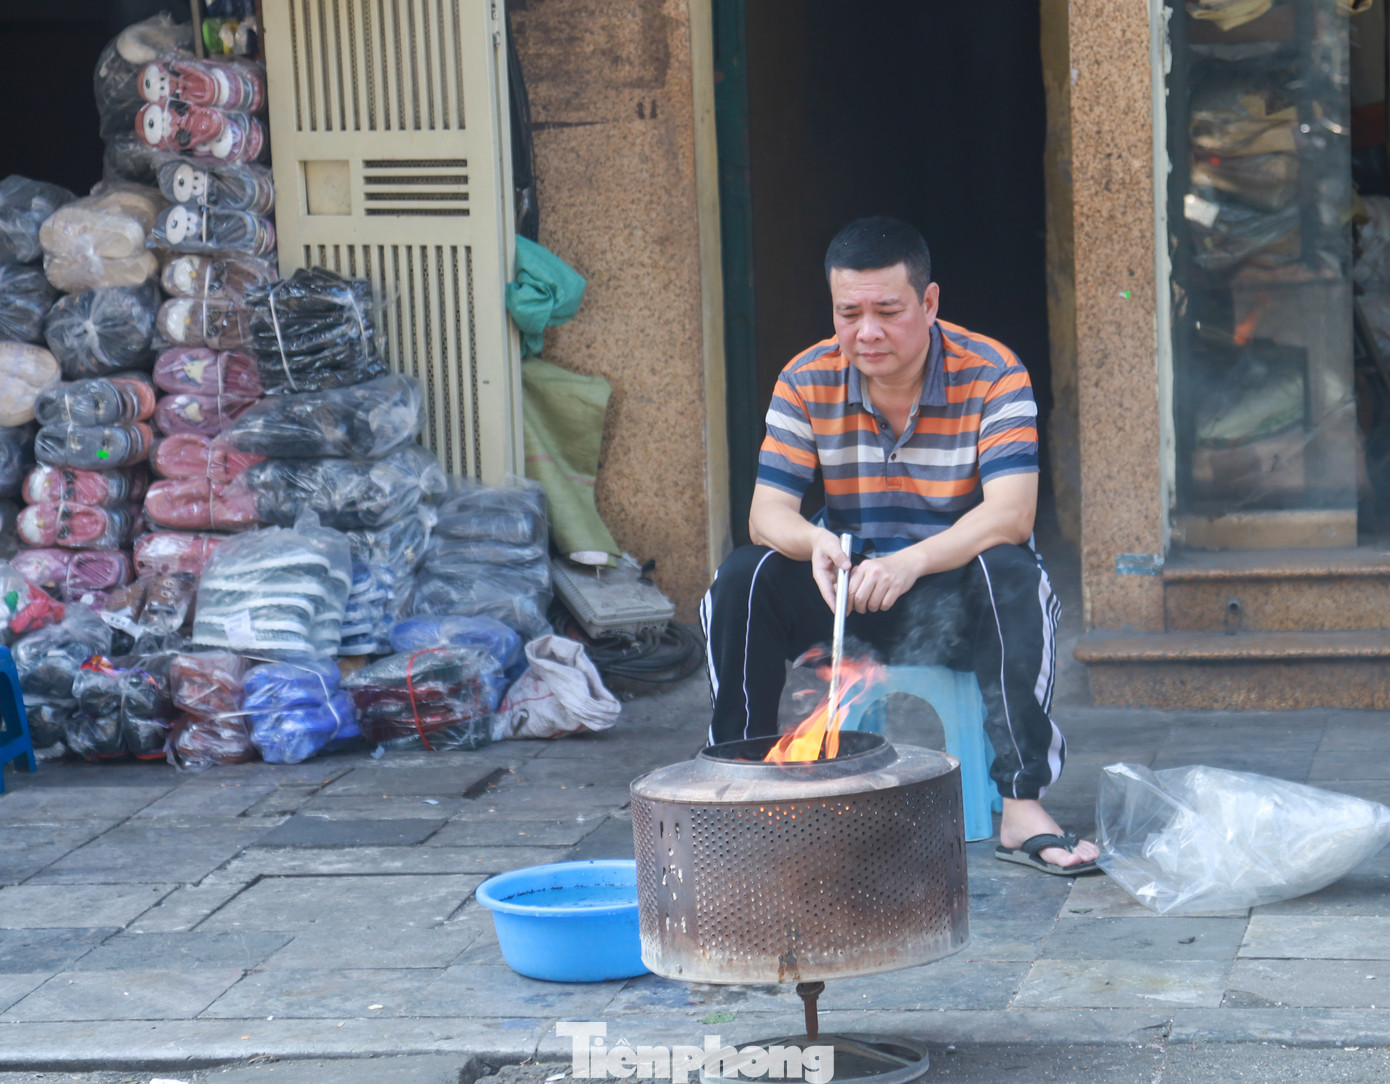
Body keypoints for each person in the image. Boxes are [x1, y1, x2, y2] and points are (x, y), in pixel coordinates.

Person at [700, 216, 1099, 875]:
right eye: (848, 313)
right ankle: (737, 787)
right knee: (747, 574)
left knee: (1011, 572)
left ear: (930, 302)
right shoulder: (805, 377)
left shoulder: (994, 373)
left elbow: (1013, 514)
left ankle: (1022, 803)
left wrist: (911, 561)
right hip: (846, 598)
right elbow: (767, 514)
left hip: (954, 604)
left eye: (887, 310)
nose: (866, 332)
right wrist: (818, 542)